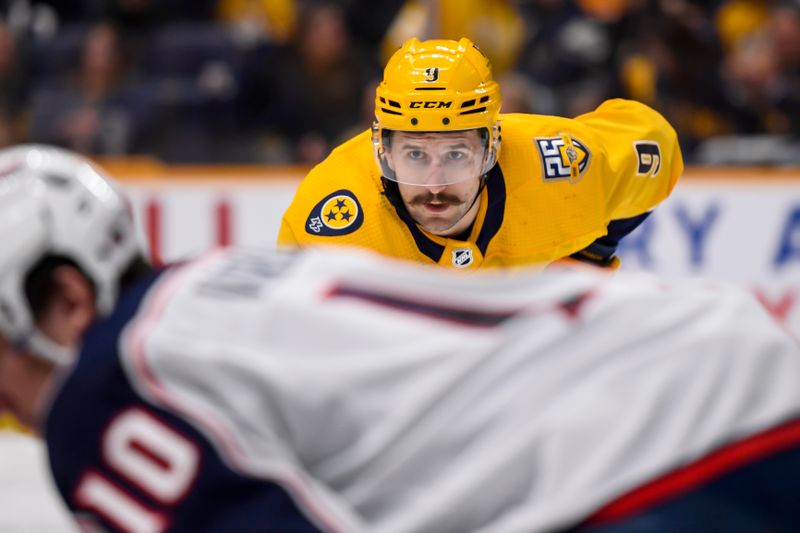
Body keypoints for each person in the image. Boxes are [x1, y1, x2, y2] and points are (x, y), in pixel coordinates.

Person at [0, 147, 799, 532]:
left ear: (68, 298)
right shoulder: (214, 283)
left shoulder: (103, 390)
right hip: (712, 373)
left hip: (650, 457)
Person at [278, 37, 683, 269]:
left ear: (492, 145)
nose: (434, 186)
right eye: (416, 156)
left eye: (456, 155)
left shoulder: (554, 166)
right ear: (384, 151)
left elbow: (654, 145)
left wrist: (587, 256)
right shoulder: (331, 225)